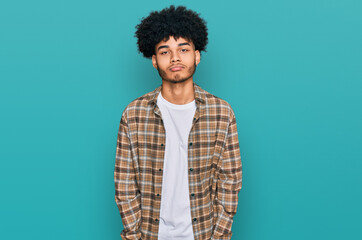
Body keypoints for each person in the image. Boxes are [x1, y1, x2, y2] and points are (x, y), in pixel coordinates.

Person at [114, 5, 242, 240]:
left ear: (197, 55)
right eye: (165, 51)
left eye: (183, 49)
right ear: (154, 60)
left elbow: (230, 182)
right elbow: (125, 184)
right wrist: (133, 235)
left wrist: (219, 236)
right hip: (150, 234)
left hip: (203, 234)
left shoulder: (221, 113)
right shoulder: (133, 115)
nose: (175, 58)